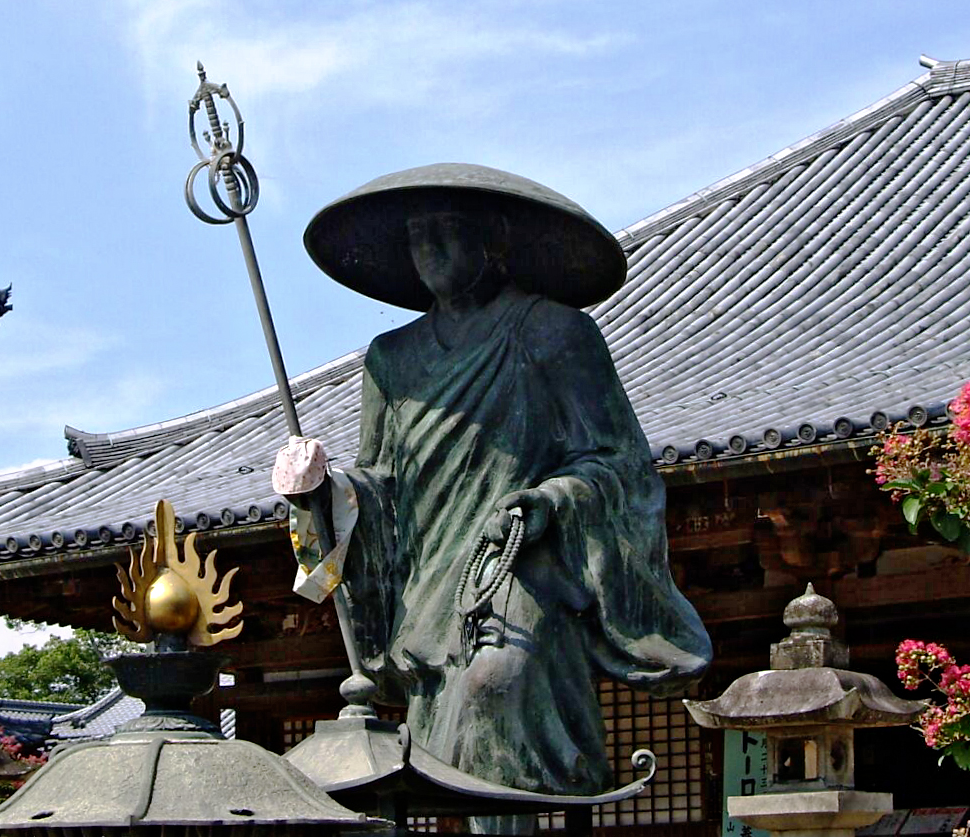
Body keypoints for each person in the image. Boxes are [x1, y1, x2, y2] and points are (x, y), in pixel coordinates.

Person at [278, 163, 710, 798]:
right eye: (417, 235)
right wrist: (318, 491)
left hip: (520, 561)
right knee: (434, 755)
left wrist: (550, 500)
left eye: (447, 230)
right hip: (429, 584)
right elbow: (380, 486)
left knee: (498, 684)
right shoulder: (391, 360)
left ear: (496, 241)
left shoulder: (554, 334)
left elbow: (620, 464)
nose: (429, 249)